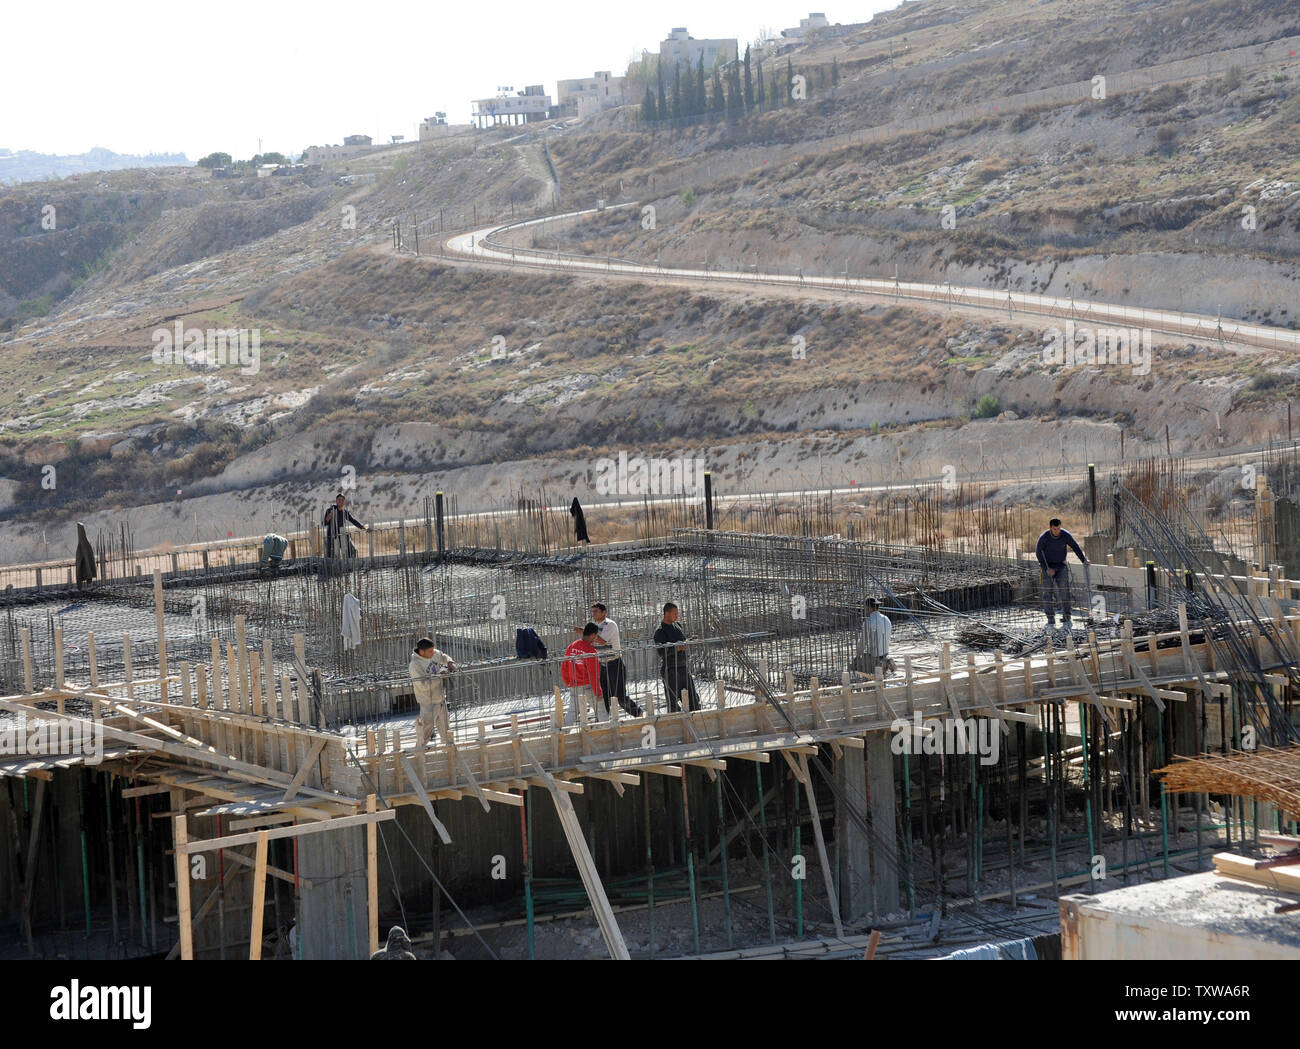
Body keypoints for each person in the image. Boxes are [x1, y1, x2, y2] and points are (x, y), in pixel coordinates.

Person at [579, 602, 641, 718]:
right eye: (592, 611)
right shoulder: (593, 627)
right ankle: (604, 720)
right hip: (602, 665)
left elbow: (602, 641)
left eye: (596, 611)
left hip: (614, 664)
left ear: (604, 612)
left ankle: (638, 713)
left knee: (619, 696)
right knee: (604, 696)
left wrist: (585, 632)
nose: (594, 614)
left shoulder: (610, 624)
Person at [1035, 517, 1089, 628]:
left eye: (1059, 528)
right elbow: (1038, 553)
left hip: (1061, 565)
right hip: (1048, 567)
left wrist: (1083, 559)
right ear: (1050, 528)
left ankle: (1067, 616)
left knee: (1065, 592)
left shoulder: (1065, 535)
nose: (1057, 531)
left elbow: (1075, 546)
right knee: (1047, 593)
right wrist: (1046, 568)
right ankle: (1050, 618)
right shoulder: (1044, 538)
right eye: (1055, 529)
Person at [409, 638, 457, 746]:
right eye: (430, 651)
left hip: (441, 700)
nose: (433, 653)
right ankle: (419, 755)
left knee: (446, 731)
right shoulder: (415, 665)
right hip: (428, 703)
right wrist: (439, 676)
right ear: (422, 652)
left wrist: (449, 662)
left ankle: (450, 754)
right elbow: (422, 686)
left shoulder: (433, 653)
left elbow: (443, 656)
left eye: (433, 650)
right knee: (426, 733)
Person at [654, 602, 701, 712]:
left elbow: (682, 642)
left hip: (683, 668)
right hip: (670, 670)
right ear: (666, 613)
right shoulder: (660, 631)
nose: (677, 616)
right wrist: (677, 648)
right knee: (673, 704)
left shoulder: (678, 625)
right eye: (674, 613)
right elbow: (661, 652)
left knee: (693, 700)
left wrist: (688, 641)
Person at [563, 624, 605, 725]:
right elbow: (593, 674)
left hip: (575, 685)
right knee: (600, 709)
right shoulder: (590, 651)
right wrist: (598, 692)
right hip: (587, 686)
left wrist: (569, 682)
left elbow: (564, 666)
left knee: (573, 711)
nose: (596, 638)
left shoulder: (572, 646)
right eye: (596, 636)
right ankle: (607, 731)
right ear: (593, 635)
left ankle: (562, 733)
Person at [853, 598, 894, 675]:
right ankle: (886, 662)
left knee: (853, 666)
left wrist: (858, 655)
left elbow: (862, 643)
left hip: (875, 657)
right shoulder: (886, 619)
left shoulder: (869, 621)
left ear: (869, 608)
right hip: (885, 653)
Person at [323, 492, 368, 558]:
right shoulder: (330, 510)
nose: (340, 501)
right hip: (332, 536)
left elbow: (353, 520)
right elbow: (325, 523)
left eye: (342, 500)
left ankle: (349, 566)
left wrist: (362, 527)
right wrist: (329, 516)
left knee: (352, 551)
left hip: (342, 535)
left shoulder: (344, 512)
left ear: (344, 502)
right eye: (339, 500)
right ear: (336, 501)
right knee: (332, 556)